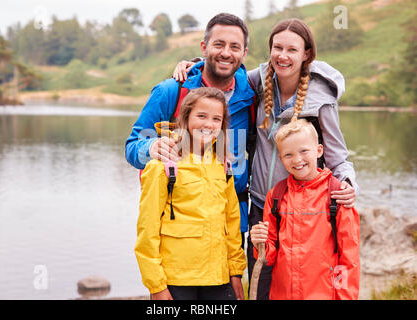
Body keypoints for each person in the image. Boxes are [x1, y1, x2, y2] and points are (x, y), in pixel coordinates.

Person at [173, 18, 359, 299]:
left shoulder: (321, 96)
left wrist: (347, 183)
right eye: (277, 48)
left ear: (306, 53)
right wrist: (197, 64)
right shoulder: (257, 81)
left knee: (307, 282)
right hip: (263, 206)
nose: (283, 56)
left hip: (305, 208)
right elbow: (223, 74)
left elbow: (337, 156)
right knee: (261, 285)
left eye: (292, 50)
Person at [125, 13, 255, 243]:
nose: (226, 52)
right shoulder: (171, 92)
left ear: (244, 54)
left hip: (230, 226)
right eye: (218, 44)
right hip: (179, 229)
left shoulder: (253, 96)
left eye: (235, 47)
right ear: (204, 47)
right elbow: (132, 148)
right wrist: (151, 147)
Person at [134, 87, 246, 300]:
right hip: (177, 279)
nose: (208, 124)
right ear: (186, 117)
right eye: (201, 116)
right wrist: (156, 285)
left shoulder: (223, 166)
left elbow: (231, 223)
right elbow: (147, 230)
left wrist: (236, 272)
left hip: (218, 278)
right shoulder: (162, 165)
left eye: (216, 119)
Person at [250, 119, 360, 299]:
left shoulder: (337, 195)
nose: (297, 160)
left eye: (304, 151)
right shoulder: (276, 196)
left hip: (323, 294)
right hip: (281, 294)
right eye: (288, 155)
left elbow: (349, 259)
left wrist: (344, 296)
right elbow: (269, 256)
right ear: (280, 158)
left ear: (319, 151)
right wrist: (259, 243)